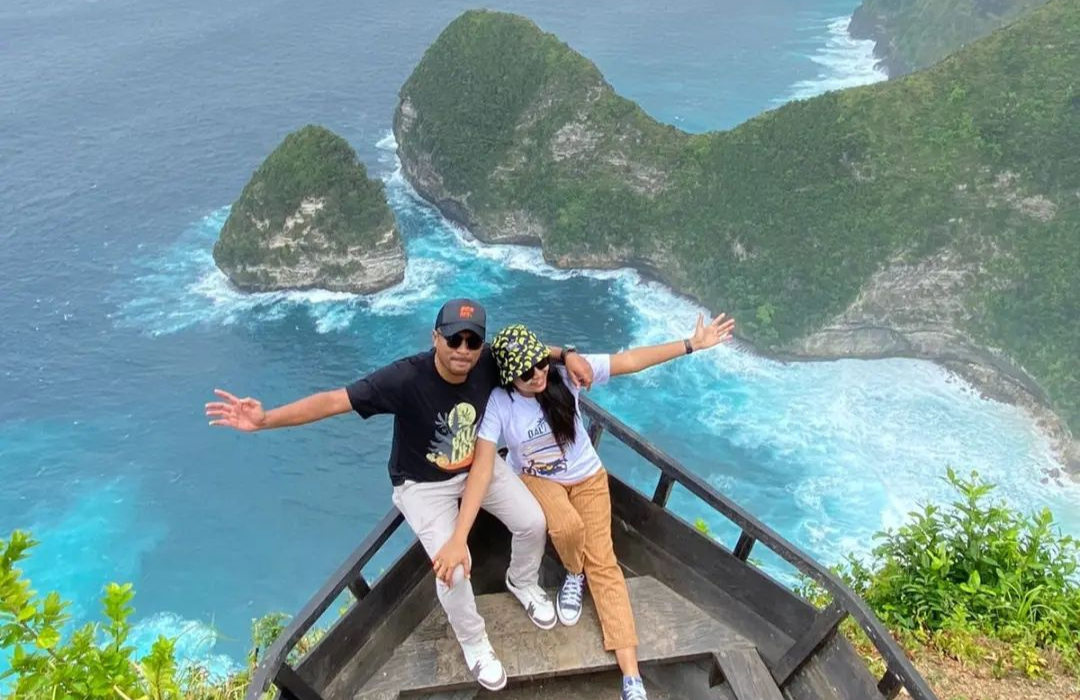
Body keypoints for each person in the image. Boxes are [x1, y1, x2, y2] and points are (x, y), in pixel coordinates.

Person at [204, 298, 595, 692]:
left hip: (478, 465)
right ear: (435, 338)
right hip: (423, 485)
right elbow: (335, 400)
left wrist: (568, 354)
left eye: (472, 342)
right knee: (453, 571)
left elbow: (529, 351)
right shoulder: (405, 379)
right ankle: (474, 641)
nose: (463, 350)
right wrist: (266, 419)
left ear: (482, 345)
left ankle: (522, 581)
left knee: (533, 522)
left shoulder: (488, 361)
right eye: (453, 340)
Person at [437, 312, 735, 700]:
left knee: (606, 567)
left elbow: (630, 361)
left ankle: (631, 678)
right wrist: (459, 534)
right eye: (526, 372)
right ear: (510, 377)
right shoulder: (500, 402)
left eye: (541, 363)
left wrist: (691, 344)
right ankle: (574, 573)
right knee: (567, 527)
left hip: (588, 478)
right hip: (538, 479)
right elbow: (483, 461)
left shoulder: (565, 376)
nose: (538, 374)